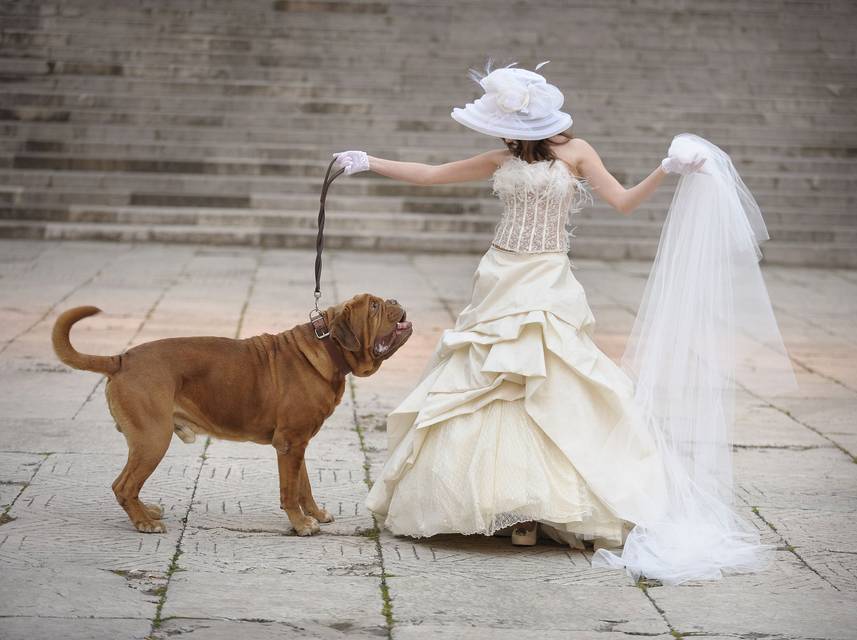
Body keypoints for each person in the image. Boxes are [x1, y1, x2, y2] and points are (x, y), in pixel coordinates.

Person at [332, 61, 795, 584]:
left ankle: (540, 510)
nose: (505, 131)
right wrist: (368, 160)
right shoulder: (498, 158)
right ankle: (508, 507)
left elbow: (621, 201)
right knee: (490, 384)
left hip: (547, 278)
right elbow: (433, 173)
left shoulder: (577, 153)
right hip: (501, 274)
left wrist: (667, 169)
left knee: (551, 381)